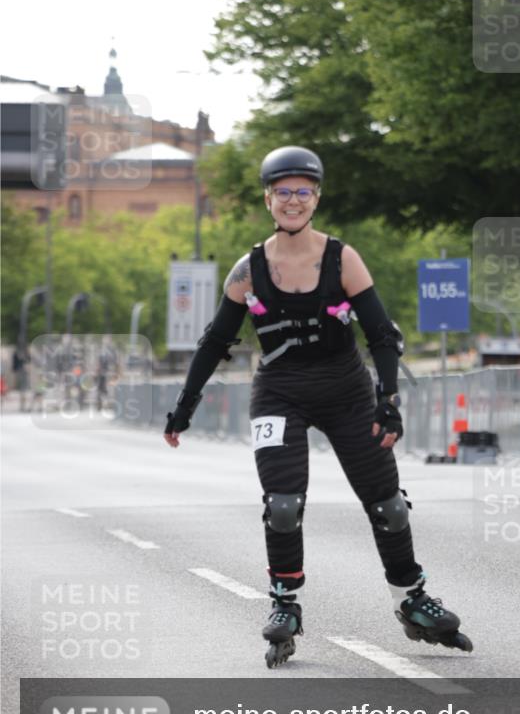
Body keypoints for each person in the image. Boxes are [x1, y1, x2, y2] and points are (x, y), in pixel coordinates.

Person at [164, 146, 472, 667]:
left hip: (347, 390)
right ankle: (284, 605)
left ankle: (411, 598)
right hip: (278, 393)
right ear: (268, 200)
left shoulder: (342, 259)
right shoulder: (248, 270)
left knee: (388, 504)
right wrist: (183, 407)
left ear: (316, 198)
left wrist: (388, 401)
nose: (293, 200)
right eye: (282, 191)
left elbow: (380, 335)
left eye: (303, 191)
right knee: (283, 506)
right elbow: (215, 341)